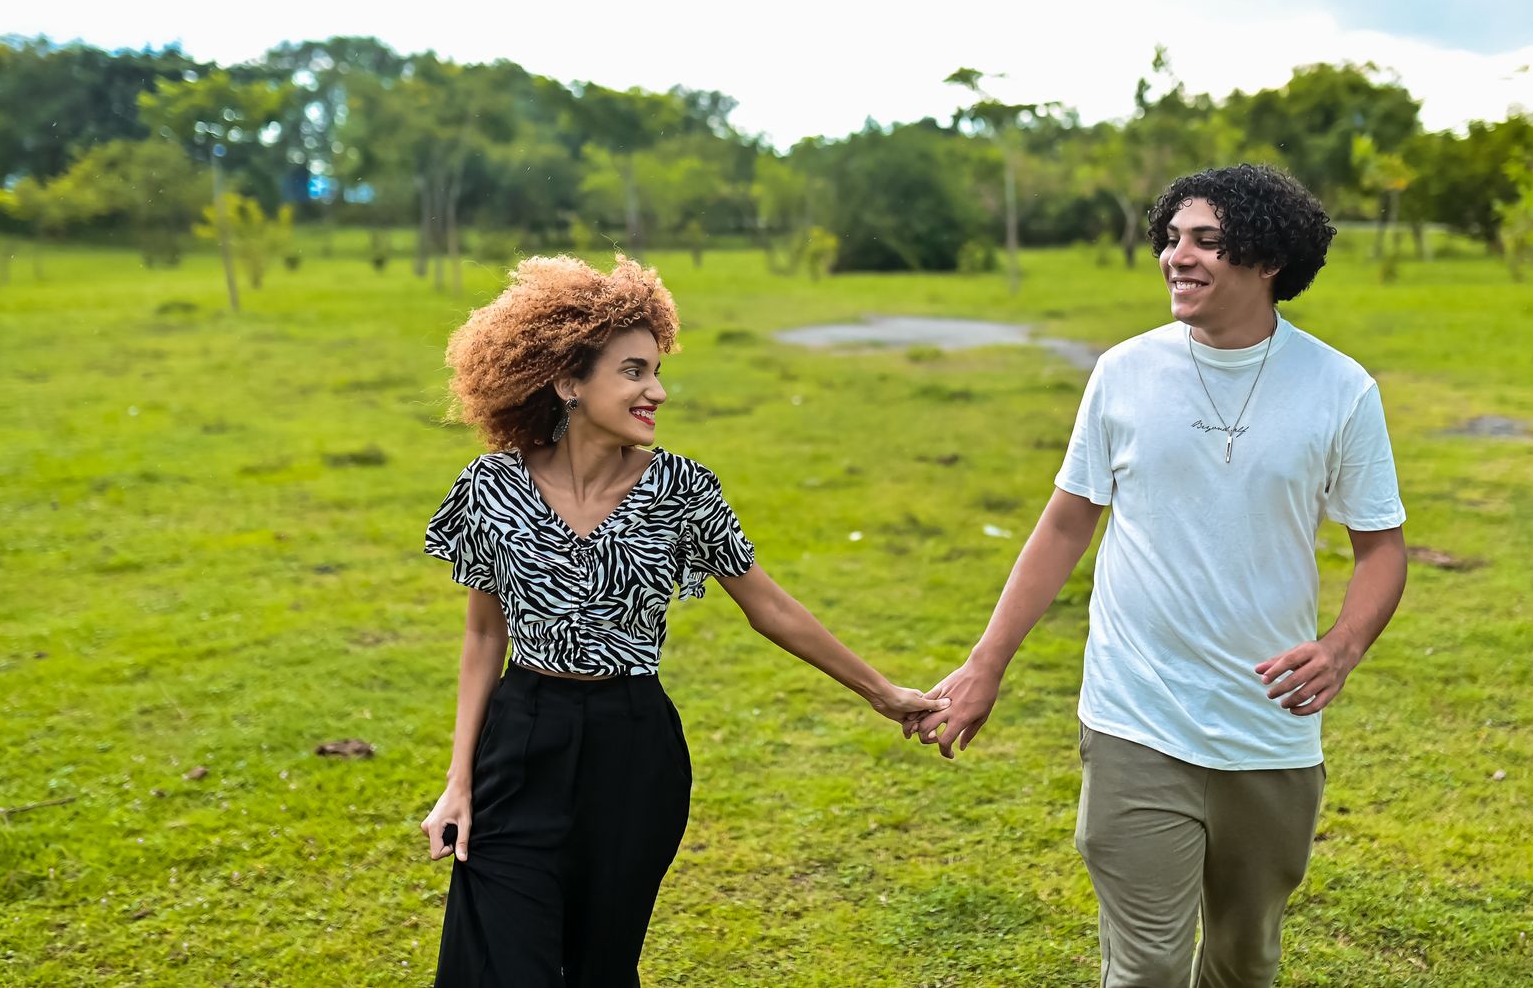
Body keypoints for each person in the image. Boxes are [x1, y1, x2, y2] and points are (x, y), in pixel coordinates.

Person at [911, 164, 1408, 988]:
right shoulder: (1125, 372)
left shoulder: (1339, 390)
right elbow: (1068, 520)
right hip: (1134, 715)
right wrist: (986, 663)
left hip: (1267, 727)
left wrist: (1343, 646)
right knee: (1143, 968)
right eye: (1172, 238)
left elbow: (1381, 546)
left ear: (1268, 259)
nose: (1179, 256)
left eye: (1207, 241)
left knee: (1245, 960)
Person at [418, 254, 936, 987]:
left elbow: (770, 605)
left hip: (633, 749)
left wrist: (882, 692)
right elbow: (482, 634)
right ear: (569, 379)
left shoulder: (682, 490)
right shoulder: (492, 486)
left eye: (656, 370)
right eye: (633, 371)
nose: (656, 390)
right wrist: (458, 781)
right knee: (499, 960)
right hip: (522, 734)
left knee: (603, 967)